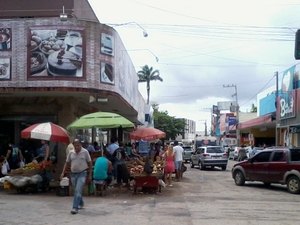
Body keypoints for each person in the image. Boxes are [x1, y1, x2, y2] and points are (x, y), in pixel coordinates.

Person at [60, 139, 93, 215]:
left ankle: (75, 207)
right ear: (73, 145)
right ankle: (81, 203)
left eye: (78, 145)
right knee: (76, 190)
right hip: (73, 174)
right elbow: (67, 163)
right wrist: (63, 173)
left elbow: (90, 163)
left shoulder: (85, 152)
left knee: (78, 190)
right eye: (75, 146)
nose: (77, 147)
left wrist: (90, 175)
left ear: (80, 145)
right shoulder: (71, 152)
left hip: (82, 173)